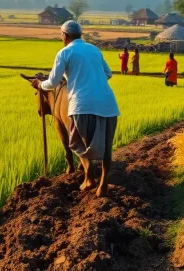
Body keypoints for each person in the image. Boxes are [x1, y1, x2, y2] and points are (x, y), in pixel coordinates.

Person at [32, 20, 120, 197]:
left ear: (64, 35)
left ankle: (89, 178)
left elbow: (54, 82)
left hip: (82, 105)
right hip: (108, 104)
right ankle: (102, 184)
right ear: (81, 34)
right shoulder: (94, 49)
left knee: (77, 142)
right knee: (107, 147)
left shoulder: (64, 52)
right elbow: (108, 73)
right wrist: (93, 80)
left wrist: (40, 85)